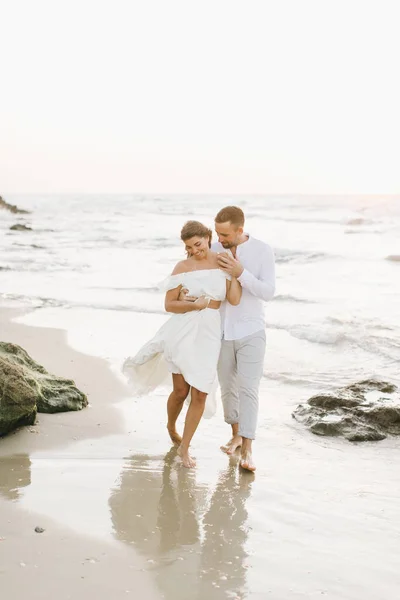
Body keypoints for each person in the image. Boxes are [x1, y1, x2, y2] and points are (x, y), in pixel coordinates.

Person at [122, 220, 242, 468]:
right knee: (180, 392)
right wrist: (192, 305)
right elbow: (169, 305)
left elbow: (233, 299)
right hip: (183, 331)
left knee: (200, 390)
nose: (194, 251)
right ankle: (171, 425)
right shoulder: (183, 266)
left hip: (210, 332)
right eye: (189, 247)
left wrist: (234, 273)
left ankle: (185, 448)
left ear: (208, 237)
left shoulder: (223, 261)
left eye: (197, 244)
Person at [212, 206, 275, 472]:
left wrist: (241, 272)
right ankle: (236, 433)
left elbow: (268, 292)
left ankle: (248, 448)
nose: (220, 239)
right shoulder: (215, 249)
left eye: (225, 234)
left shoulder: (262, 250)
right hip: (222, 331)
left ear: (240, 230)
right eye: (217, 233)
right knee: (227, 389)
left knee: (248, 389)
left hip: (252, 331)